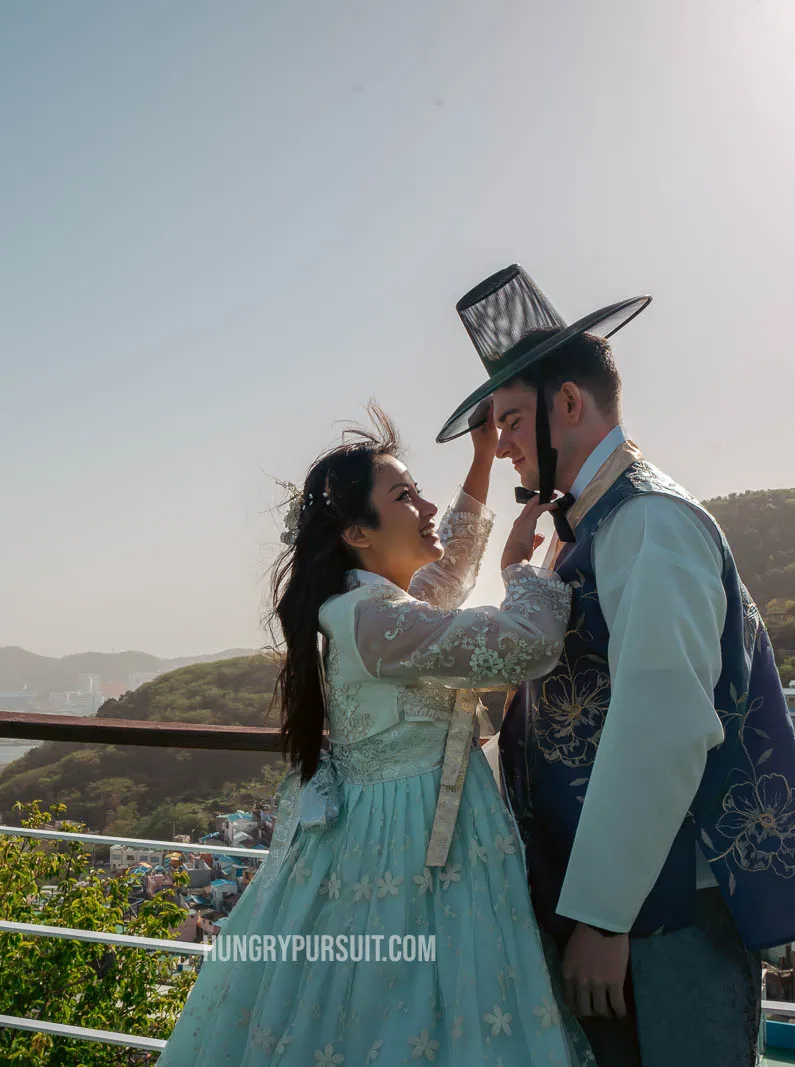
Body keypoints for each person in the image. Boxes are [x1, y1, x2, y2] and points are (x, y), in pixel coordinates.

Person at [437, 265, 795, 1066]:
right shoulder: (592, 525)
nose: (505, 442)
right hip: (625, 904)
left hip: (665, 912)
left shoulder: (650, 523)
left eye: (512, 420)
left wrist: (603, 916)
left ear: (569, 403)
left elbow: (661, 724)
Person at [157, 406, 594, 1065]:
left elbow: (443, 581)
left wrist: (479, 460)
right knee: (425, 1014)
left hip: (387, 836)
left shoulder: (361, 609)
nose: (424, 504)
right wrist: (522, 570)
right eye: (405, 495)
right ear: (360, 532)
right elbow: (525, 643)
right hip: (421, 848)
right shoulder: (376, 623)